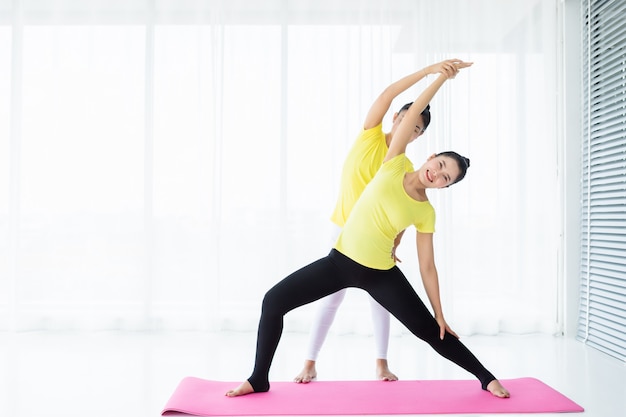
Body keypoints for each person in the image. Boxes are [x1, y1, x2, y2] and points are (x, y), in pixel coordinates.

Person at [226, 60, 510, 399]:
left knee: (431, 332)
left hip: (381, 274)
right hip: (340, 262)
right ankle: (259, 378)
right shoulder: (393, 162)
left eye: (446, 178)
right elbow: (411, 107)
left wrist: (440, 313)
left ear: (444, 188)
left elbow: (428, 266)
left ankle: (486, 377)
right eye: (441, 165)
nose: (438, 174)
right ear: (430, 156)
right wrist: (438, 77)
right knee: (273, 302)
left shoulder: (425, 211)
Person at [295, 61, 449, 384]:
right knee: (331, 298)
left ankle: (381, 363)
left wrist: (394, 245)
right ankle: (309, 363)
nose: (412, 129)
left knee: (381, 300)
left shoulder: (405, 165)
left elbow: (403, 213)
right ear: (397, 117)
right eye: (409, 121)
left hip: (377, 239)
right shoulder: (371, 136)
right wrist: (427, 73)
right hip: (343, 231)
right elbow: (387, 95)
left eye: (419, 130)